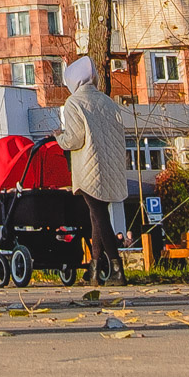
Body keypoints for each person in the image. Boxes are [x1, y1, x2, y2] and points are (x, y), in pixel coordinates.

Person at [56, 56, 128, 284]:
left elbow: (75, 139)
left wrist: (59, 139)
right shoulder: (108, 102)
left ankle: (117, 269)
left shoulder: (74, 103)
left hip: (89, 167)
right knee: (96, 216)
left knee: (99, 216)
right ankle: (94, 270)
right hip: (111, 166)